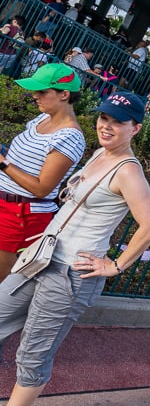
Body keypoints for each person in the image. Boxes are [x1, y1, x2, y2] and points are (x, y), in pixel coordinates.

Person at [0, 91, 150, 406]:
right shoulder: (100, 153)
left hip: (72, 274)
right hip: (43, 257)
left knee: (34, 351)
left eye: (118, 122)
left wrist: (115, 265)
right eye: (104, 118)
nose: (107, 126)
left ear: (135, 128)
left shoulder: (128, 171)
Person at [0, 64, 86, 281]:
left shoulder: (70, 137)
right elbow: (20, 159)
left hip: (20, 214)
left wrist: (2, 164)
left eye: (42, 91)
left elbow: (42, 188)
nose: (34, 95)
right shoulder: (41, 119)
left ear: (64, 94)